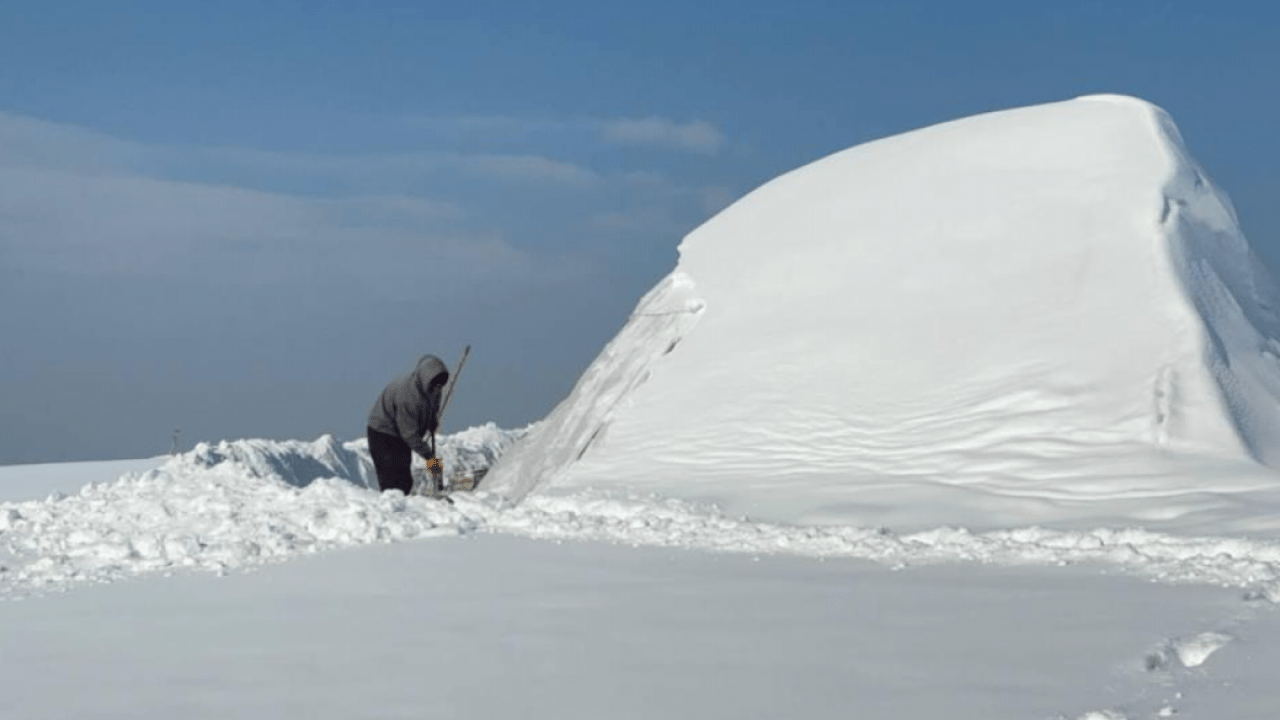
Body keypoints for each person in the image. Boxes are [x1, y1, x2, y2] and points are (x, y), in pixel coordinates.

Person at [367, 354, 449, 495]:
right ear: (427, 380)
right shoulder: (408, 396)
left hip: (400, 434)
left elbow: (432, 409)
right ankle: (390, 506)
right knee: (393, 480)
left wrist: (431, 421)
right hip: (383, 433)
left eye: (441, 386)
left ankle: (401, 504)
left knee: (405, 480)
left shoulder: (434, 392)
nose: (438, 389)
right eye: (435, 385)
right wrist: (430, 457)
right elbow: (409, 434)